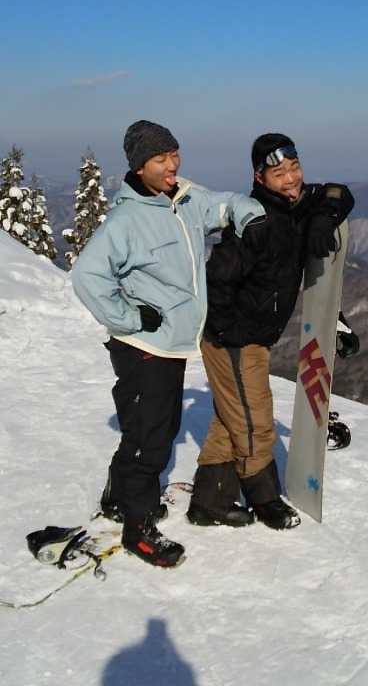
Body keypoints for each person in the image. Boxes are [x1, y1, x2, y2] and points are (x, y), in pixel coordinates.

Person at [71, 120, 265, 567]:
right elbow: (87, 276)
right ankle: (138, 532)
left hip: (171, 344)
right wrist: (128, 317)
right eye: (160, 158)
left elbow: (224, 205)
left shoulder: (184, 199)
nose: (172, 164)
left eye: (174, 153)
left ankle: (119, 500)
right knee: (152, 439)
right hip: (144, 347)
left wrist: (252, 216)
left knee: (146, 429)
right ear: (140, 167)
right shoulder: (127, 220)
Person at [186, 132, 354, 531]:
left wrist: (323, 217)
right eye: (279, 173)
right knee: (254, 421)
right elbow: (217, 278)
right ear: (259, 178)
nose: (291, 178)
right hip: (233, 339)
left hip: (255, 337)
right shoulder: (255, 220)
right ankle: (263, 497)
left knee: (231, 418)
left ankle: (209, 501)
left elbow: (338, 193)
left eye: (295, 167)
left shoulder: (295, 206)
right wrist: (228, 332)